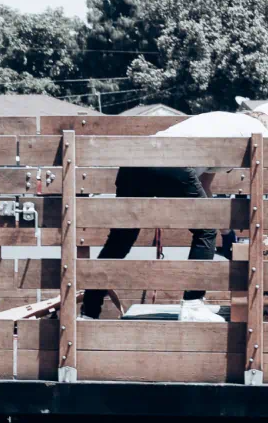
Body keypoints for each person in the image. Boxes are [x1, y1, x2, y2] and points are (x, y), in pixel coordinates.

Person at [82, 112, 268, 323]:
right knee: (206, 228)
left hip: (133, 161)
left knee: (120, 240)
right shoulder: (260, 131)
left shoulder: (222, 124)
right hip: (171, 159)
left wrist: (227, 233)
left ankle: (88, 313)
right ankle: (192, 304)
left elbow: (204, 187)